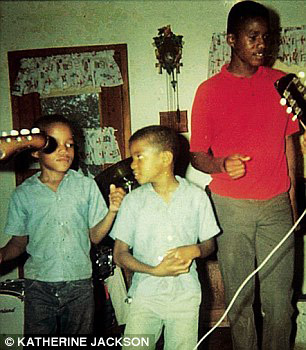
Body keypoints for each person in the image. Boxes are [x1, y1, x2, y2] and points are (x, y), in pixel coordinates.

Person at [190, 1, 306, 350]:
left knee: (280, 304)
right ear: (231, 39)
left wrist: (292, 202)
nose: (261, 44)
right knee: (240, 303)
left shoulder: (281, 85)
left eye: (265, 37)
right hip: (230, 208)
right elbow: (197, 156)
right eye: (252, 36)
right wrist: (221, 164)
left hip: (276, 208)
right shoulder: (208, 91)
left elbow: (290, 148)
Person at [0, 114, 125, 334]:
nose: (64, 150)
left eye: (70, 144)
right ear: (36, 150)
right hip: (38, 285)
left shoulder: (85, 186)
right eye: (54, 144)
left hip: (80, 284)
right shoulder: (23, 194)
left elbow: (95, 236)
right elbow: (19, 242)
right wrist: (2, 255)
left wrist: (112, 211)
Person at [111, 125, 219, 350]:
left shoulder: (196, 197)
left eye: (139, 157)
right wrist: (154, 270)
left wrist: (196, 250)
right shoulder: (133, 202)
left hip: (185, 297)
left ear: (165, 158)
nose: (132, 165)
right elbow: (119, 254)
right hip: (145, 297)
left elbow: (210, 244)